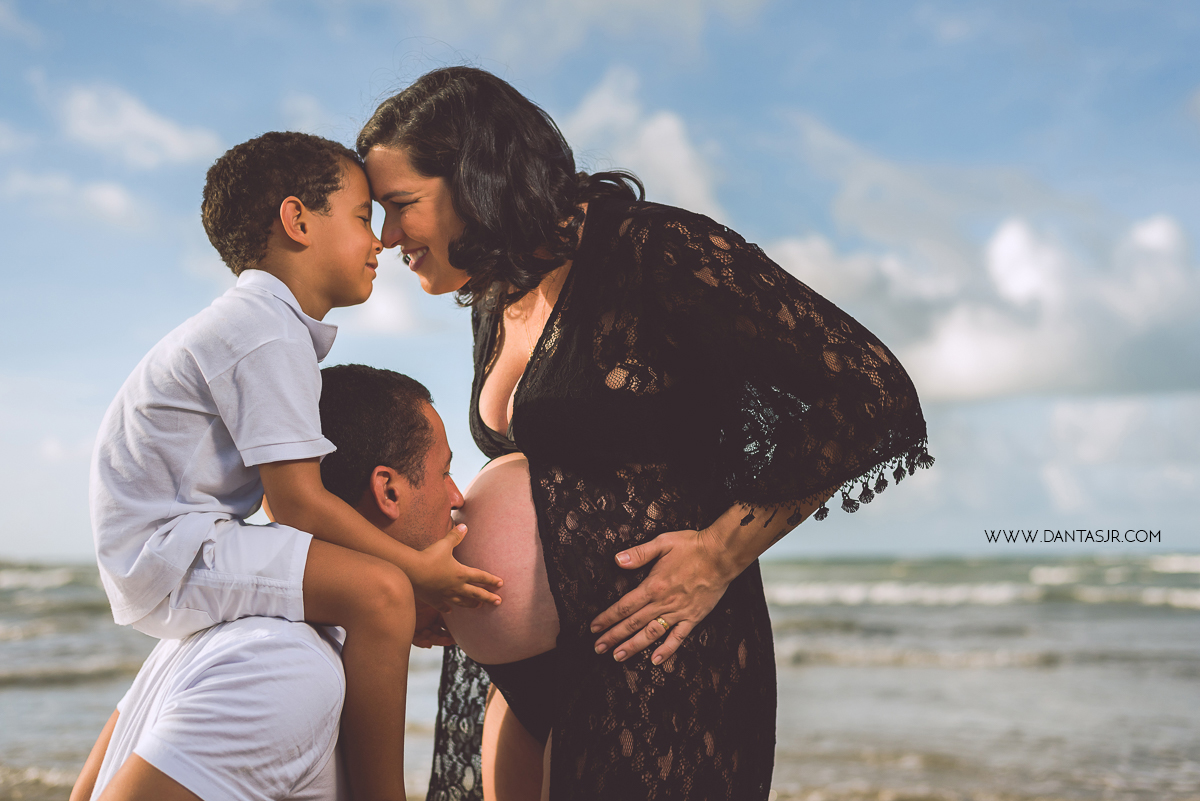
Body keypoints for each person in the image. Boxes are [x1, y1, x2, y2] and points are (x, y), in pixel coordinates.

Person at [357, 67, 934, 801]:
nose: (387, 236)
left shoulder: (657, 252)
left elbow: (871, 389)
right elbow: (548, 479)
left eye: (401, 205)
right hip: (531, 676)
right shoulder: (497, 294)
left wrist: (719, 552)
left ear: (477, 177)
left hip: (654, 660)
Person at [88, 132, 502, 801]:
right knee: (383, 595)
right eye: (365, 215)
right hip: (172, 547)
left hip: (169, 546)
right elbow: (300, 504)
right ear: (297, 220)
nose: (381, 242)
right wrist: (413, 572)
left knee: (379, 596)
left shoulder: (260, 326)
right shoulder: (266, 328)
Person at [71, 365, 464, 801]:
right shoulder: (291, 668)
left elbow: (87, 789)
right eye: (445, 472)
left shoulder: (218, 624)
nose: (457, 497)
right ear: (387, 491)